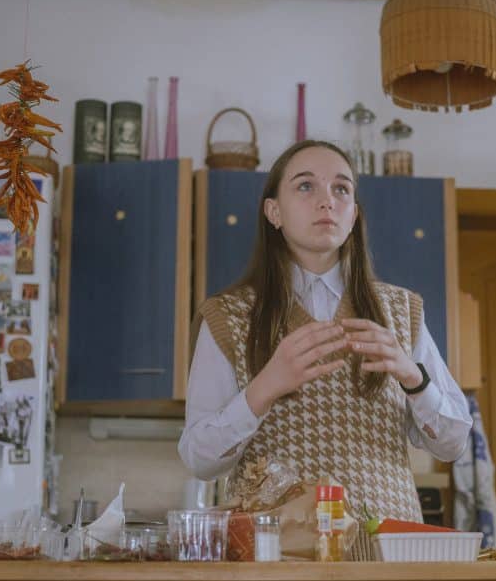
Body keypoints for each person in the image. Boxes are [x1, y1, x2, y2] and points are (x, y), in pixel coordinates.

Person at [178, 140, 472, 522]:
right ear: (273, 211)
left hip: (386, 559)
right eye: (305, 186)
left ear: (353, 216)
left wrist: (413, 378)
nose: (327, 201)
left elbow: (454, 444)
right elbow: (198, 459)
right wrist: (264, 389)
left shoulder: (401, 310)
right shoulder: (228, 315)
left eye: (341, 189)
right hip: (277, 561)